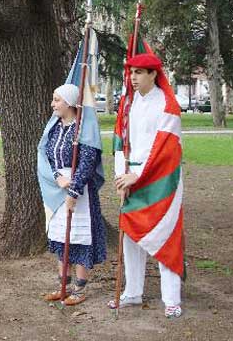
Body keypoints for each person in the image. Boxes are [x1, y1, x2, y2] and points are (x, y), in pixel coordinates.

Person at [109, 53, 185, 319]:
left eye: (139, 72)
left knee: (166, 235)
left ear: (154, 74)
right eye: (131, 73)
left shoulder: (168, 104)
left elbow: (165, 149)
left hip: (161, 180)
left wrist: (137, 176)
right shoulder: (127, 104)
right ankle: (132, 291)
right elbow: (120, 142)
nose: (134, 78)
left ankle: (172, 299)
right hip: (130, 178)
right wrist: (121, 177)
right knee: (131, 236)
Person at [37, 84, 106, 306]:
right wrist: (57, 177)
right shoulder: (55, 127)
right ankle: (62, 287)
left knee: (79, 236)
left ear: (69, 103)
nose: (52, 104)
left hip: (81, 189)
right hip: (57, 188)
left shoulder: (83, 129)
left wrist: (74, 191)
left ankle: (79, 288)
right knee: (60, 236)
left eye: (57, 100)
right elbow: (46, 156)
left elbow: (87, 162)